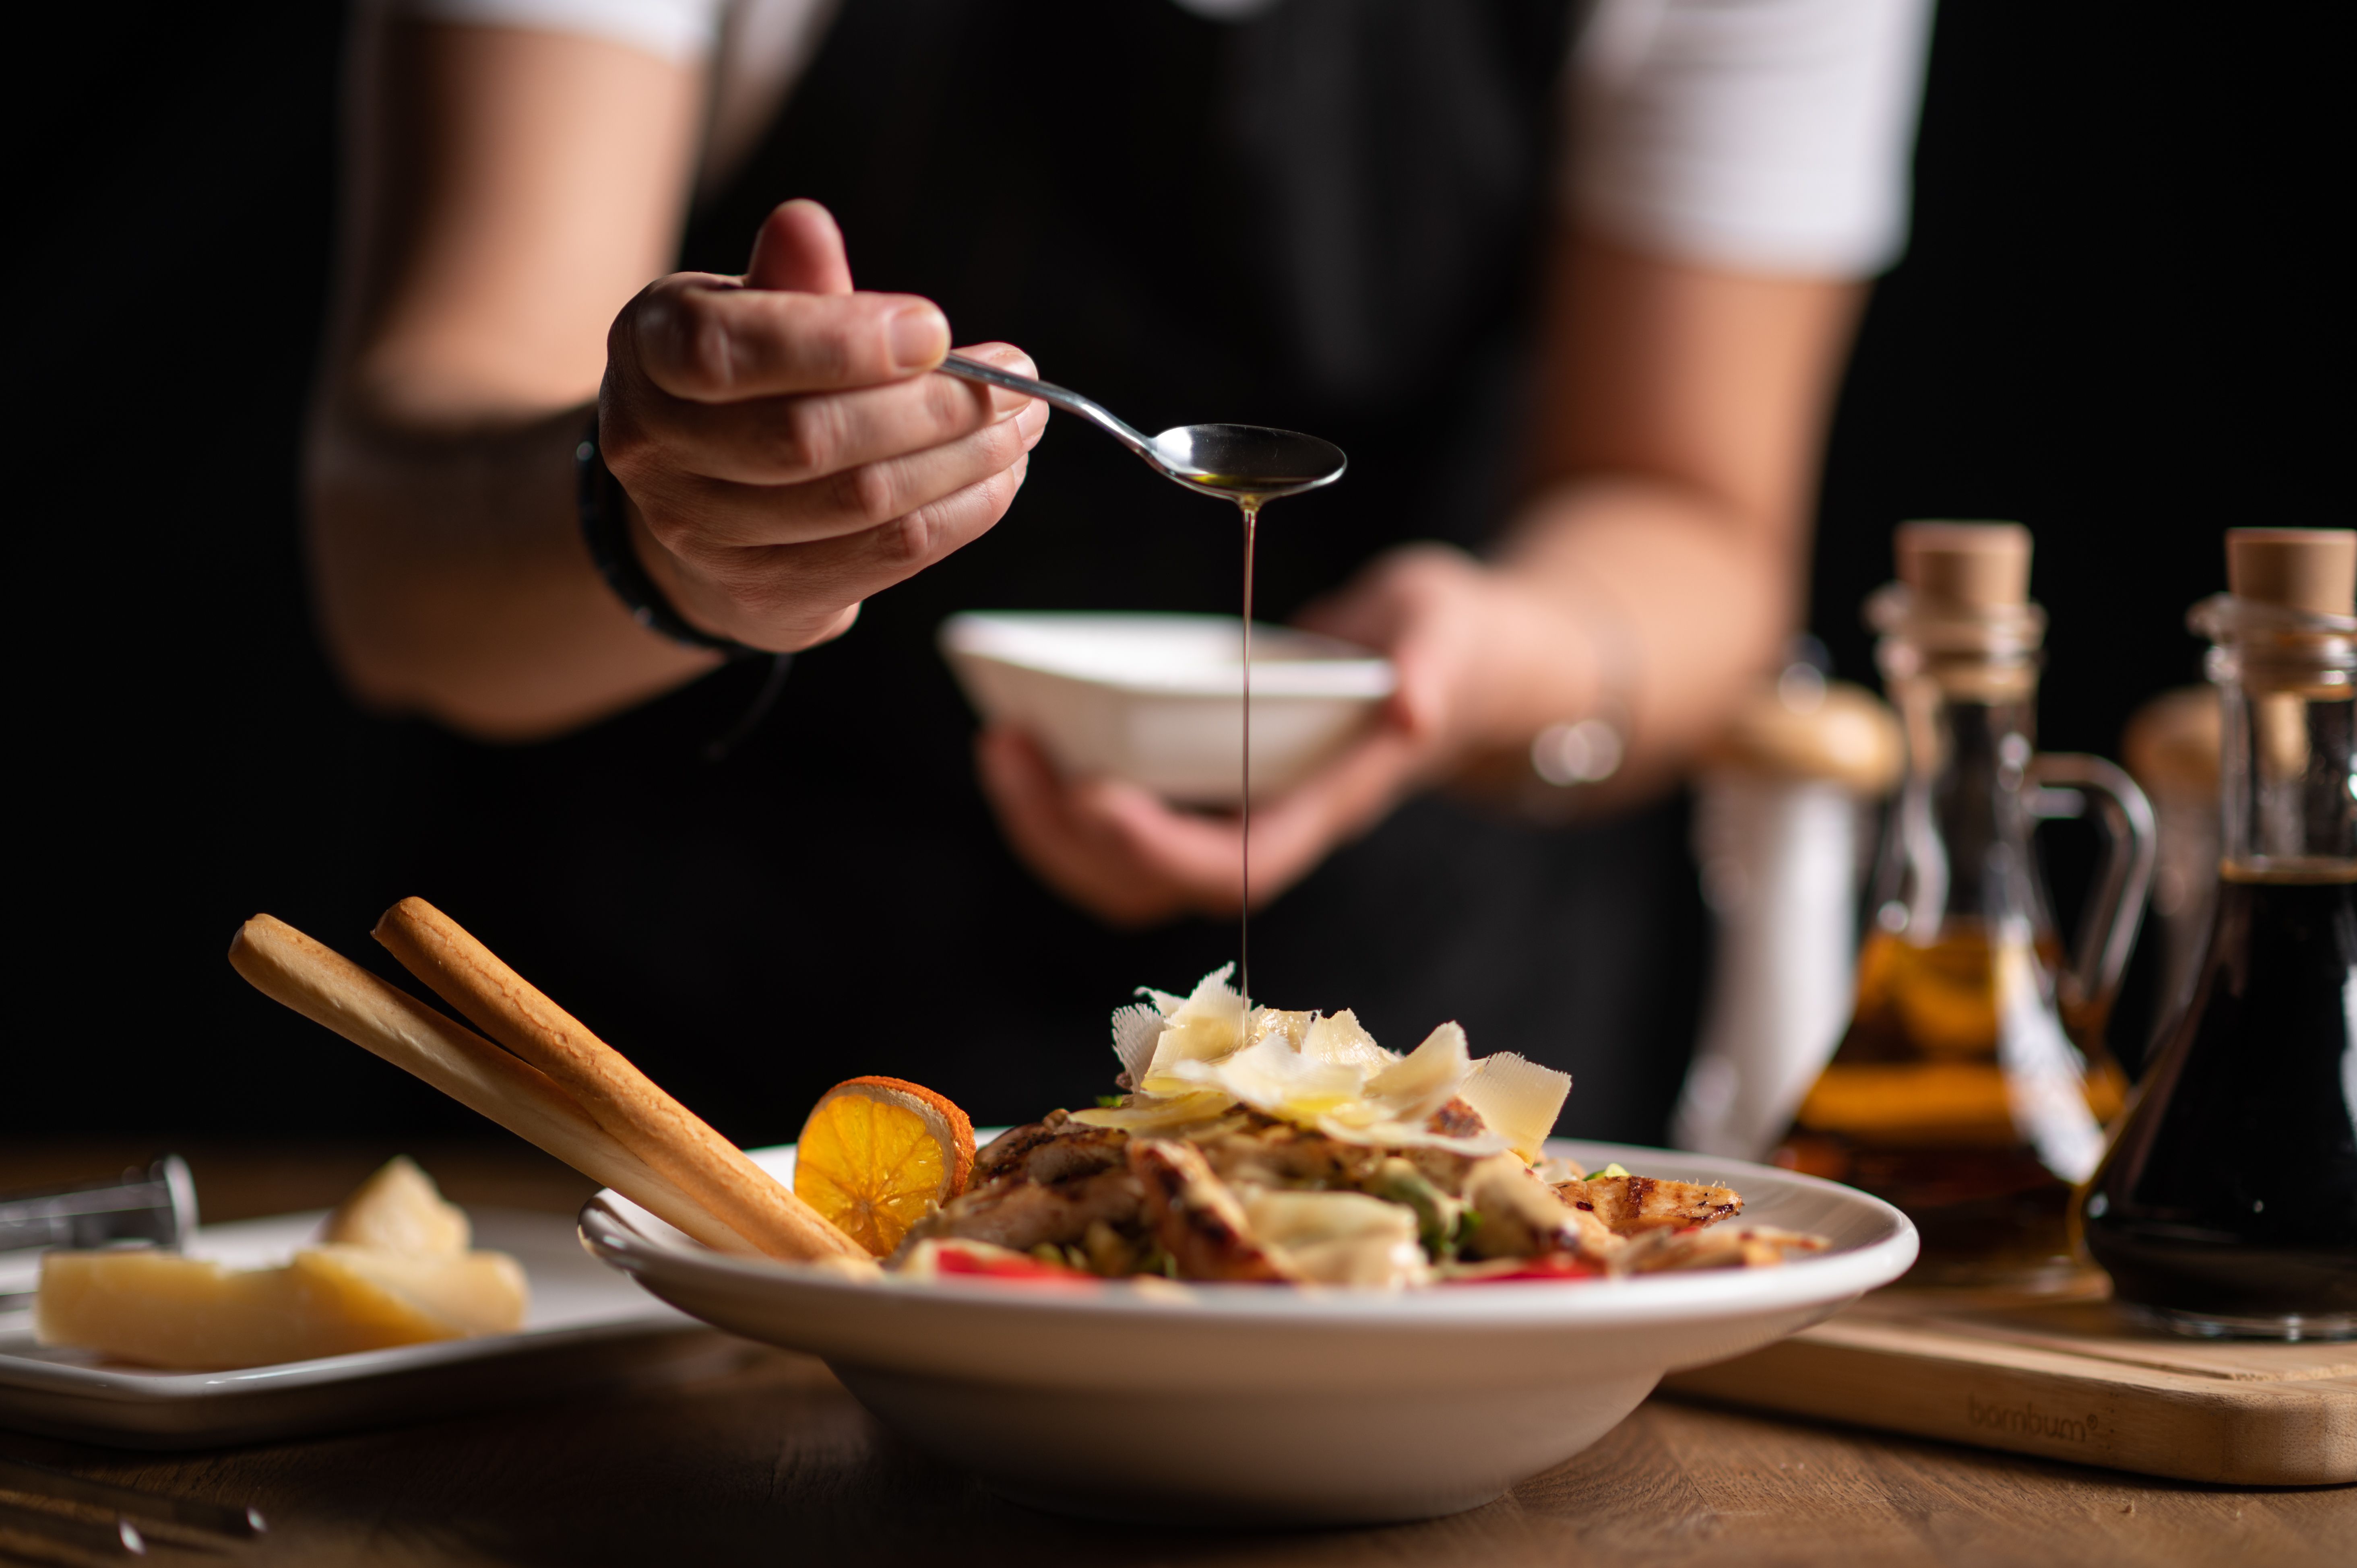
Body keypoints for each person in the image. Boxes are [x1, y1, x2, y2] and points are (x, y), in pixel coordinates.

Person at [305, 0, 1934, 1137]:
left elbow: (1695, 519)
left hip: (1415, 1071)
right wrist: (664, 519)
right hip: (699, 1096)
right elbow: (394, 563)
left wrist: (1480, 662)